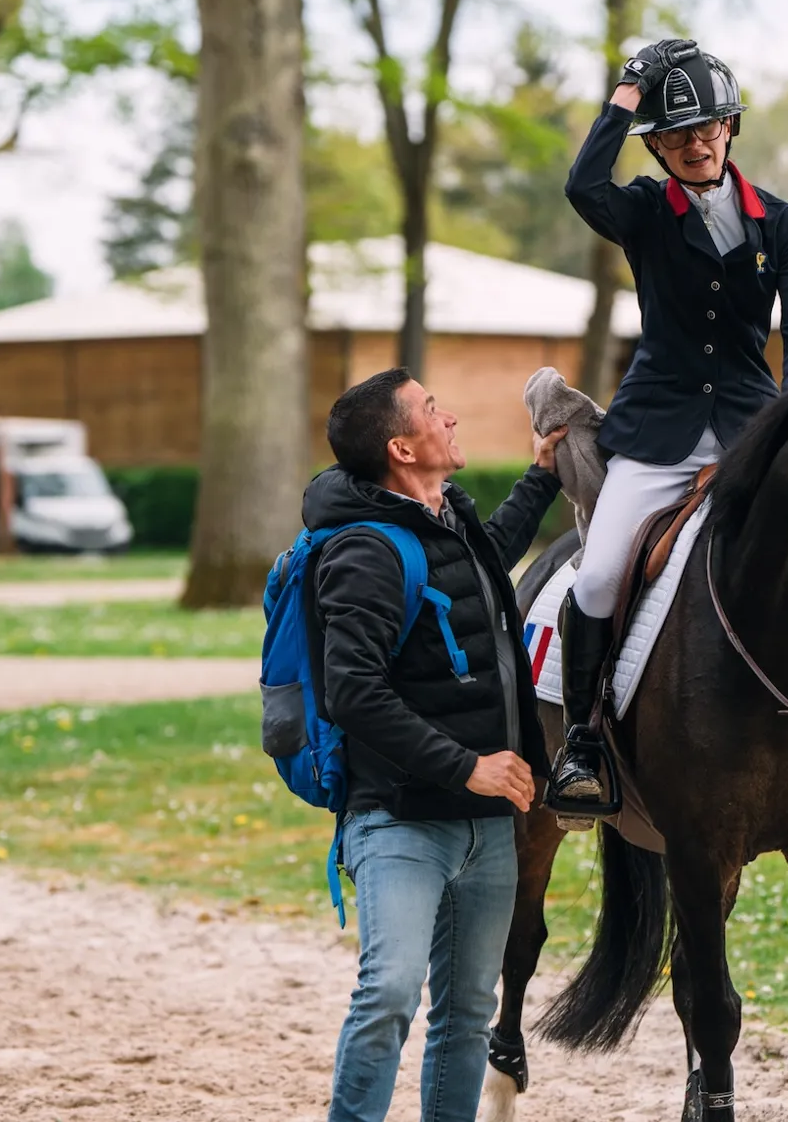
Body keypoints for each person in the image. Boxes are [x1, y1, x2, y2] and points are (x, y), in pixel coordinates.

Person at [552, 36, 788, 819]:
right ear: (655, 146)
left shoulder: (781, 223)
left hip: (754, 426)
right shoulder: (646, 213)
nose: (696, 143)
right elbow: (583, 184)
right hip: (657, 431)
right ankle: (583, 741)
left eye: (709, 127)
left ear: (731, 128)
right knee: (596, 575)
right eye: (677, 135)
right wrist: (626, 94)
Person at [310, 368, 565, 1122]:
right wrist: (469, 767)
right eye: (430, 409)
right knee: (389, 992)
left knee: (465, 1012)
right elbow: (351, 691)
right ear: (401, 446)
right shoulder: (362, 549)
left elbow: (489, 556)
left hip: (485, 823)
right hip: (399, 819)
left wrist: (543, 476)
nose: (448, 415)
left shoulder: (446, 518)